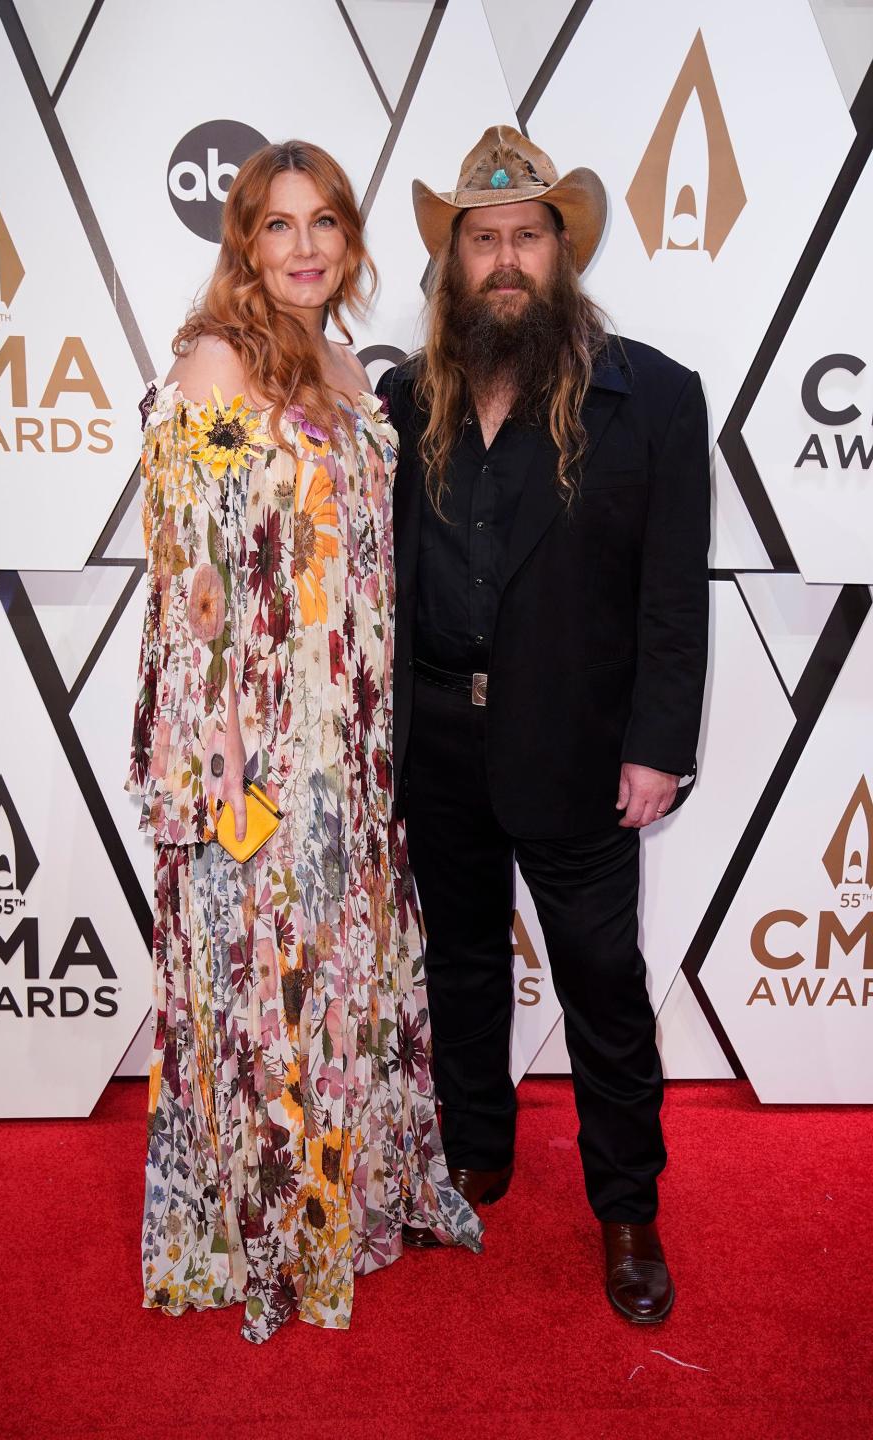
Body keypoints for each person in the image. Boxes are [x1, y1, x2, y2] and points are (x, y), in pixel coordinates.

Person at [127, 139, 481, 1345]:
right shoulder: (215, 364)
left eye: (325, 221)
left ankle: (353, 1194)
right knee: (262, 989)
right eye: (279, 226)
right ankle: (269, 1223)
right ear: (244, 242)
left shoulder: (345, 366)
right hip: (263, 745)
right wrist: (222, 753)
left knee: (338, 977)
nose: (306, 247)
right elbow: (195, 577)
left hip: (357, 736)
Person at [377, 126, 710, 1323]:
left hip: (577, 750)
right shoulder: (407, 397)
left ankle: (628, 1211)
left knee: (603, 987)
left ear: (560, 254)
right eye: (482, 241)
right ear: (454, 264)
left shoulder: (657, 398)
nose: (504, 260)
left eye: (525, 237)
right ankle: (478, 1152)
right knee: (461, 966)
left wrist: (659, 746)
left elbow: (674, 598)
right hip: (440, 747)